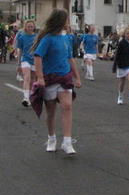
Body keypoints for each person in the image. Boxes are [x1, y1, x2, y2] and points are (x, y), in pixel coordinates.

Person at [32, 9, 82, 155]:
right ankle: (51, 138)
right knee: (51, 111)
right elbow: (37, 56)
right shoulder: (48, 38)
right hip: (50, 78)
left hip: (65, 77)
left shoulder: (67, 39)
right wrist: (40, 77)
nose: (68, 22)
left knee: (67, 106)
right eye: (67, 20)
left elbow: (70, 58)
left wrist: (77, 77)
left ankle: (67, 142)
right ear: (61, 21)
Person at [16, 20, 37, 107]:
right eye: (28, 26)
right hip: (25, 59)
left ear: (34, 27)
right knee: (26, 77)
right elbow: (20, 50)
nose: (30, 28)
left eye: (31, 26)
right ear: (25, 27)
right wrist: (19, 63)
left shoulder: (37, 37)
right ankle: (26, 98)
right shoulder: (22, 37)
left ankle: (31, 97)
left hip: (35, 60)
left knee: (33, 80)